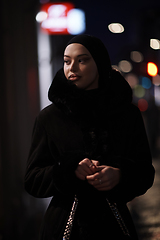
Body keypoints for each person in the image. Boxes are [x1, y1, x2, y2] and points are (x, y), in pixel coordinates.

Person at [24, 34, 155, 240]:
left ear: (100, 64)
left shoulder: (126, 114)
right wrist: (68, 169)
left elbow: (145, 172)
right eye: (67, 61)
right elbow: (33, 180)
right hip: (63, 227)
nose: (72, 68)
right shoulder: (50, 117)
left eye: (82, 60)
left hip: (114, 226)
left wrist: (119, 175)